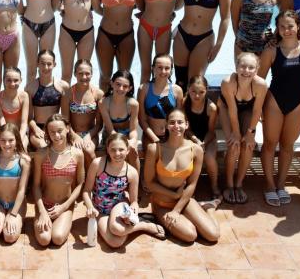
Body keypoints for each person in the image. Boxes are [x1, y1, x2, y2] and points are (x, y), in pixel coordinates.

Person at [258, 10, 300, 207]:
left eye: (290, 26)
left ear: (298, 26)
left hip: (297, 102)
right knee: (270, 143)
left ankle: (281, 184)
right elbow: (259, 81)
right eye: (282, 26)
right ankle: (269, 185)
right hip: (274, 101)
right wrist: (258, 109)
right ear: (277, 29)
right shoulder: (271, 50)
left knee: (287, 145)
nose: (286, 30)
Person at [144, 109, 220, 243]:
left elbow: (192, 184)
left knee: (213, 235)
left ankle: (209, 209)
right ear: (166, 125)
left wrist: (177, 210)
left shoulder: (196, 150)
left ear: (186, 125)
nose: (176, 126)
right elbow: (149, 183)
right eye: (172, 122)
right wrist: (173, 195)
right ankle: (172, 217)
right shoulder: (154, 149)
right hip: (161, 203)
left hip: (184, 201)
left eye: (180, 122)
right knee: (190, 235)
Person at [82, 132, 165, 248]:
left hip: (119, 207)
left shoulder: (132, 172)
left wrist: (133, 209)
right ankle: (139, 224)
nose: (117, 154)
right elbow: (86, 191)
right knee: (115, 242)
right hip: (100, 210)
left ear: (128, 150)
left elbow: (134, 201)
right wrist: (90, 207)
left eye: (121, 150)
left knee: (117, 229)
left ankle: (145, 226)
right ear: (107, 149)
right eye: (113, 150)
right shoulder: (98, 164)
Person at [173, 0, 230, 92]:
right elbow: (176, 6)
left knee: (195, 84)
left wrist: (218, 45)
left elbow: (225, 18)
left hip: (204, 39)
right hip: (181, 36)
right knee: (180, 81)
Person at [219, 52, 268, 204]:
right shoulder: (228, 82)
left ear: (257, 69)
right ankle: (229, 184)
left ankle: (239, 184)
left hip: (248, 110)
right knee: (234, 145)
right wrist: (235, 133)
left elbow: (257, 110)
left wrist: (250, 133)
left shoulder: (261, 85)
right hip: (227, 109)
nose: (246, 70)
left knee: (247, 146)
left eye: (251, 67)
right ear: (236, 67)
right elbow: (232, 110)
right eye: (243, 66)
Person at [32, 114, 85, 247]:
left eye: (60, 131)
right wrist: (42, 211)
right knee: (44, 239)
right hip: (45, 204)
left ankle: (65, 218)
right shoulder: (41, 154)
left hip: (65, 205)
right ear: (47, 133)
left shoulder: (77, 154)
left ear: (67, 128)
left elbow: (80, 184)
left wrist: (64, 207)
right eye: (52, 132)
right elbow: (36, 186)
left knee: (58, 238)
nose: (56, 136)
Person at [93, 0, 142, 89]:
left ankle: (122, 102)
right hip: (105, 34)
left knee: (124, 77)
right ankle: (103, 102)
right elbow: (96, 7)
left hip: (126, 35)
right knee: (105, 76)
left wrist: (170, 13)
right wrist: (109, 15)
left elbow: (143, 7)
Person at [137, 0, 181, 84]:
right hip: (145, 27)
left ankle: (159, 96)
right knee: (146, 69)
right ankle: (142, 97)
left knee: (162, 70)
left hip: (164, 28)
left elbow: (179, 4)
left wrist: (171, 11)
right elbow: (140, 4)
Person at [0, 123, 32, 244]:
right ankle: (1, 217)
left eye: (11, 140)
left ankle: (13, 218)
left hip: (16, 204)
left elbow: (22, 190)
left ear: (17, 140)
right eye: (3, 140)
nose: (6, 144)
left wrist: (13, 214)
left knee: (9, 237)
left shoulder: (24, 161)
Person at [54, 0, 95, 82]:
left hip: (87, 32)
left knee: (83, 74)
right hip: (67, 31)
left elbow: (96, 6)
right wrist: (61, 8)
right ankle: (66, 97)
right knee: (66, 74)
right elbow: (54, 5)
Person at [62, 59, 104, 168]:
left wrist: (88, 136)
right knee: (75, 154)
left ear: (92, 74)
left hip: (91, 134)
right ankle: (81, 178)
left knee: (88, 151)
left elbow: (99, 124)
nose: (84, 77)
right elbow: (65, 122)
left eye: (87, 73)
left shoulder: (98, 94)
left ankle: (96, 176)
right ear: (75, 74)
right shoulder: (68, 94)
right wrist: (74, 136)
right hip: (72, 133)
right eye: (80, 73)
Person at [183, 75, 220, 200]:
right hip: (190, 137)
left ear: (206, 90)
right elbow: (186, 129)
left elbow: (211, 131)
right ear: (188, 89)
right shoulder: (184, 103)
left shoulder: (211, 108)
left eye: (201, 92)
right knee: (188, 157)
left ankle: (214, 185)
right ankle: (190, 186)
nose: (197, 96)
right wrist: (196, 141)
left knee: (209, 158)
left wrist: (203, 143)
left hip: (208, 138)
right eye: (193, 91)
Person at [138, 54, 185, 150]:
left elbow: (180, 119)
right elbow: (142, 120)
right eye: (160, 67)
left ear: (171, 70)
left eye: (167, 68)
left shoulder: (177, 90)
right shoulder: (144, 89)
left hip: (172, 136)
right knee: (152, 150)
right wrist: (155, 139)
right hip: (150, 136)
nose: (163, 71)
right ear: (153, 68)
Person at [99, 70, 140, 172]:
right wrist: (121, 143)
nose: (121, 88)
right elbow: (110, 130)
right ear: (111, 83)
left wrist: (133, 140)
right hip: (109, 135)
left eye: (125, 86)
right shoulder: (103, 102)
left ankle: (136, 179)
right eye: (118, 84)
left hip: (127, 134)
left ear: (130, 88)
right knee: (114, 150)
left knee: (133, 151)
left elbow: (133, 130)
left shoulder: (133, 104)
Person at [27, 50, 68, 150]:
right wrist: (35, 129)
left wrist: (63, 131)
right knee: (44, 146)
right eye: (42, 63)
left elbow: (66, 116)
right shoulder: (30, 87)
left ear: (54, 64)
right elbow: (29, 117)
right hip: (38, 129)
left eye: (49, 64)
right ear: (37, 64)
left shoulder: (63, 86)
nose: (46, 67)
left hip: (56, 128)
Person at [0, 66, 30, 148]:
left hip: (20, 132)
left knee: (22, 148)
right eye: (9, 80)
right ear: (3, 80)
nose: (12, 84)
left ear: (21, 80)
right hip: (3, 132)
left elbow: (24, 123)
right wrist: (7, 138)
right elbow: (2, 121)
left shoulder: (24, 96)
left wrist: (18, 139)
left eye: (16, 80)